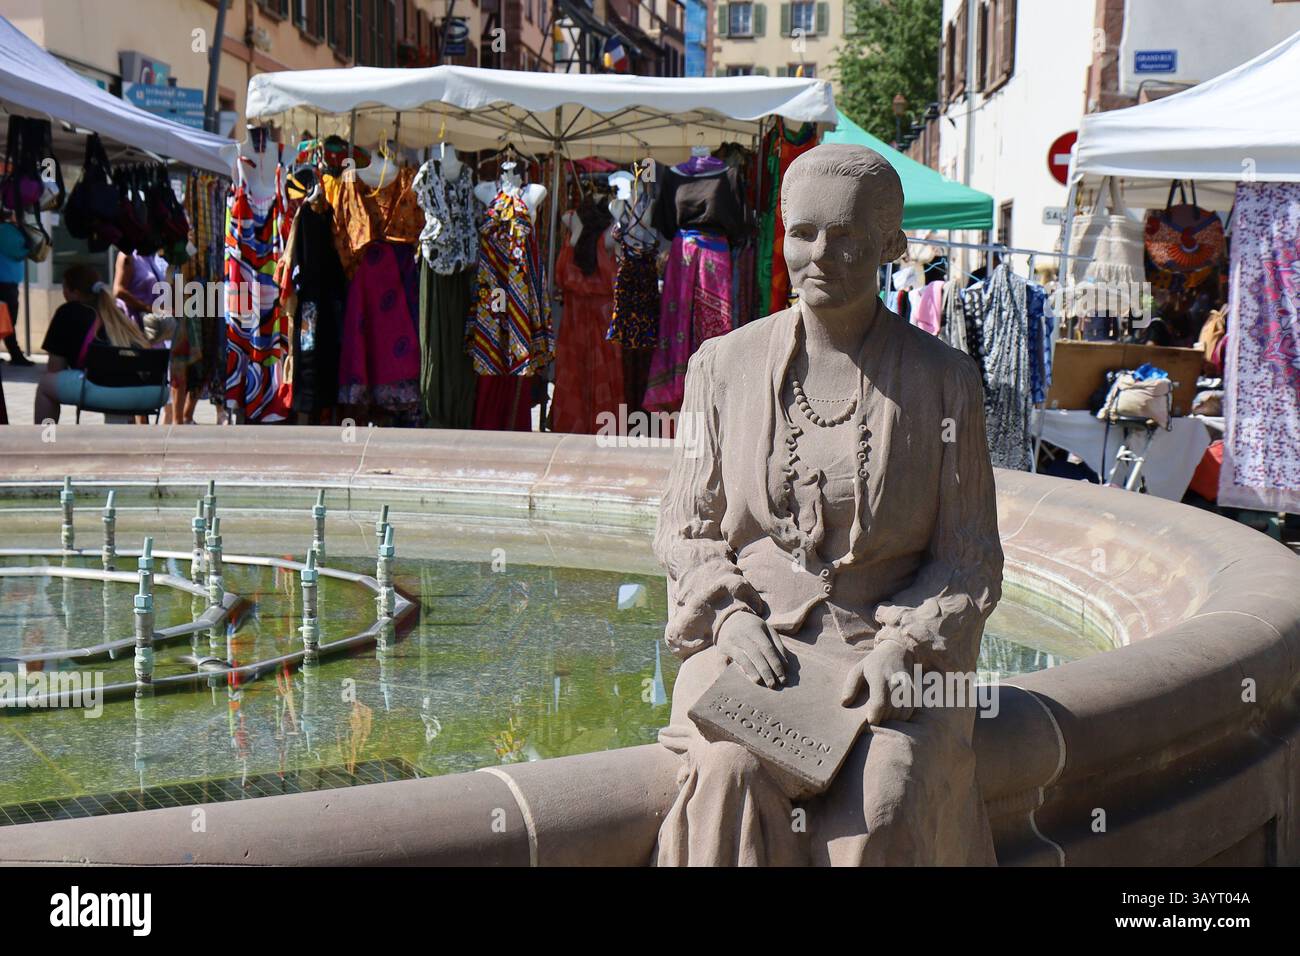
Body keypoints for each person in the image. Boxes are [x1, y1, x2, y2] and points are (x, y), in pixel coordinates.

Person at [652, 144, 1004, 866]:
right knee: (728, 773)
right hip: (750, 651)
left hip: (892, 658)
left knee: (886, 803)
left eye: (846, 237)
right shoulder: (720, 367)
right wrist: (727, 614)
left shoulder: (946, 382)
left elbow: (970, 558)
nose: (820, 254)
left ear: (890, 245)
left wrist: (905, 646)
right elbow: (685, 526)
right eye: (804, 233)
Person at [34, 264, 151, 423]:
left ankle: (46, 441)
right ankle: (121, 440)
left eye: (65, 289)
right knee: (113, 387)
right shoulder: (118, 315)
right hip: (146, 392)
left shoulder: (68, 312)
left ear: (75, 292)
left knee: (46, 386)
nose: (63, 293)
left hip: (102, 388)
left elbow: (55, 369)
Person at [0, 209, 35, 365]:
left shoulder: (9, 230)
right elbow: (20, 251)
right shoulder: (6, 231)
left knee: (6, 320)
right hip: (5, 285)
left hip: (7, 283)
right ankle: (16, 355)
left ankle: (15, 354)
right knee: (8, 320)